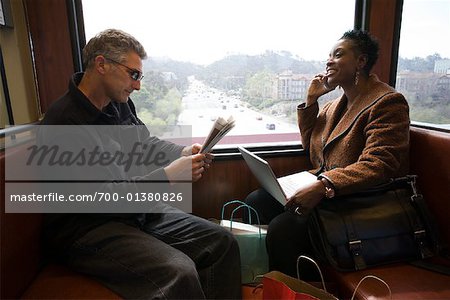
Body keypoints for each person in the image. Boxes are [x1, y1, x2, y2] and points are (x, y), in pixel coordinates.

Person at [39, 29, 241, 299]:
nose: (138, 85)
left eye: (139, 76)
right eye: (133, 74)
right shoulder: (64, 121)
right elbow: (100, 198)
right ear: (101, 65)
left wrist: (180, 152)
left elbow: (145, 144)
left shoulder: (119, 104)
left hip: (131, 212)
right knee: (179, 271)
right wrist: (168, 177)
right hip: (87, 229)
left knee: (222, 242)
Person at [245, 29, 410, 279]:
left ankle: (298, 291)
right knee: (255, 202)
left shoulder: (388, 102)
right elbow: (309, 144)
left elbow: (380, 164)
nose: (328, 61)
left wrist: (324, 185)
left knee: (284, 228)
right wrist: (311, 100)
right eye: (328, 56)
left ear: (361, 61)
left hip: (358, 198)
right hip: (326, 190)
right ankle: (260, 281)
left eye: (338, 54)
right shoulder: (335, 105)